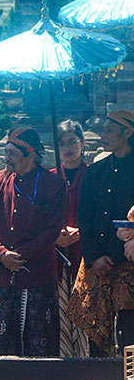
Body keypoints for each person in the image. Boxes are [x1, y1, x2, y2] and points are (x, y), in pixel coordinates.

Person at [0, 127, 67, 359]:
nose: (6, 158)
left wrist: (19, 256)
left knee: (40, 342)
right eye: (5, 152)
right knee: (0, 342)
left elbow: (52, 230)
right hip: (2, 275)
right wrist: (1, 254)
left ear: (30, 155)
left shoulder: (54, 185)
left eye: (11, 153)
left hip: (38, 274)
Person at [69, 110, 134, 356]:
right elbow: (85, 218)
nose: (103, 135)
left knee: (129, 332)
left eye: (109, 129)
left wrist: (117, 253)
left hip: (128, 262)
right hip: (97, 263)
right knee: (96, 335)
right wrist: (94, 256)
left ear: (127, 133)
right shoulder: (96, 172)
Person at [52, 119, 89, 357]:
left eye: (73, 142)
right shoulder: (50, 178)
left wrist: (82, 232)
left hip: (86, 257)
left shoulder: (94, 176)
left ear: (82, 144)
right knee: (60, 319)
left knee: (85, 319)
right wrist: (55, 235)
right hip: (56, 257)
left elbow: (101, 215)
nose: (68, 148)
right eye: (62, 143)